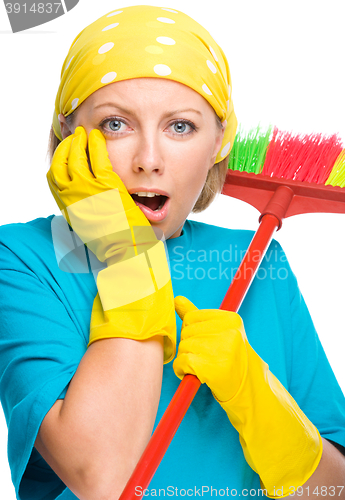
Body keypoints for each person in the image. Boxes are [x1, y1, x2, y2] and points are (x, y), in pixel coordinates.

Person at [0, 5, 344, 500]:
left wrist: (257, 395)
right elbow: (102, 477)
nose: (149, 161)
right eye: (116, 124)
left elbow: (333, 491)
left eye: (180, 127)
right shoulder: (25, 258)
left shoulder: (254, 260)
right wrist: (127, 256)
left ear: (220, 142)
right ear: (69, 133)